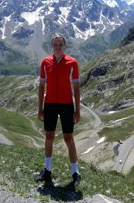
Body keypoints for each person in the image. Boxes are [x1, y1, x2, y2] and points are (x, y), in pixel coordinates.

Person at [37, 33, 81, 185]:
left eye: (60, 44)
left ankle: (75, 172)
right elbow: (42, 85)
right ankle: (47, 170)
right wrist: (40, 108)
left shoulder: (72, 63)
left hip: (67, 104)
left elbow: (76, 87)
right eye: (55, 45)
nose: (57, 47)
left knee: (68, 138)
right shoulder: (45, 62)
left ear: (64, 46)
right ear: (52, 46)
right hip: (49, 104)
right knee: (49, 136)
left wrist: (77, 110)